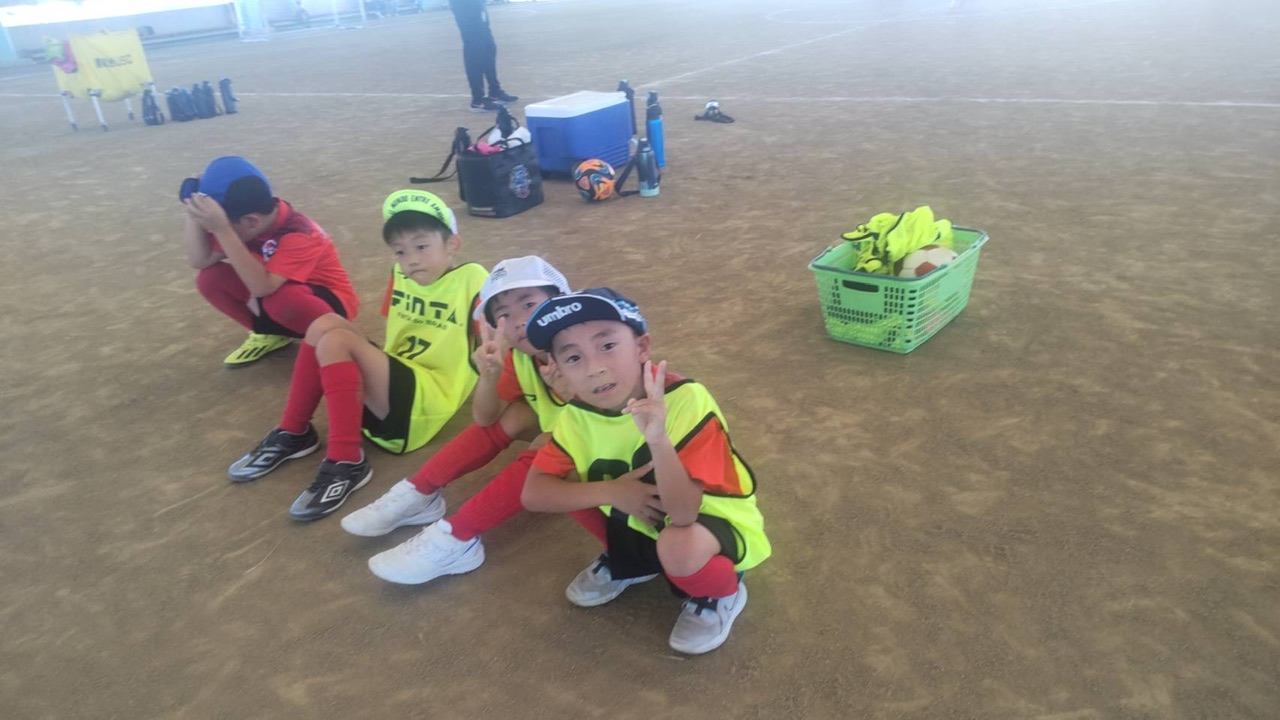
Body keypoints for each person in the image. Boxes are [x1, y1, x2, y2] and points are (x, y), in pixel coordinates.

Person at [520, 289, 771, 655]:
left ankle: (721, 592)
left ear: (641, 347)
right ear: (558, 371)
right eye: (573, 358)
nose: (594, 368)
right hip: (641, 516)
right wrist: (613, 491)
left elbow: (684, 514)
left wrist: (657, 438)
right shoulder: (577, 415)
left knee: (678, 546)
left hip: (709, 522)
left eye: (607, 346)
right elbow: (533, 494)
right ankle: (632, 561)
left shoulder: (686, 399)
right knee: (569, 481)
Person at [225, 190, 487, 522]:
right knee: (323, 324)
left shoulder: (474, 279)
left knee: (336, 341)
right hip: (396, 385)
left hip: (426, 400)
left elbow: (494, 343)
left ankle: (347, 460)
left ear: (453, 244)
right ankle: (294, 431)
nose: (411, 259)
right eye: (400, 251)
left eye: (422, 246)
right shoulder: (400, 275)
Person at [342, 256, 604, 584]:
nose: (520, 321)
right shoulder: (522, 356)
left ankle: (457, 536)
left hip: (622, 447)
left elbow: (612, 418)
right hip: (580, 433)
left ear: (561, 300)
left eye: (529, 303)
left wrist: (576, 396)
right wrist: (489, 375)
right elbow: (484, 418)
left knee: (550, 444)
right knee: (516, 414)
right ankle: (420, 489)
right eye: (504, 314)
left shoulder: (587, 346)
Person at [183, 156, 359, 367]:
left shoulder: (300, 233)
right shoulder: (247, 222)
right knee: (210, 279)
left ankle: (340, 343)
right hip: (278, 301)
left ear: (251, 221)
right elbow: (200, 260)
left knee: (282, 299)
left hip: (328, 307)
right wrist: (194, 205)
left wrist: (222, 229)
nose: (213, 230)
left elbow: (262, 287)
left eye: (216, 225)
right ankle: (271, 333)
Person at [449, 0, 518, 112]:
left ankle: (494, 92)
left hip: (478, 6)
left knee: (489, 48)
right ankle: (477, 100)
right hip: (465, 5)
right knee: (475, 52)